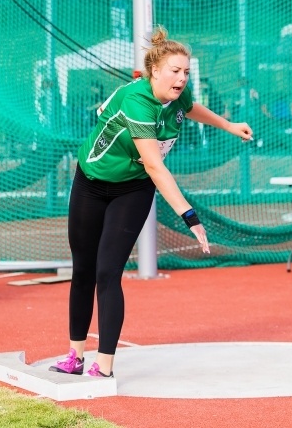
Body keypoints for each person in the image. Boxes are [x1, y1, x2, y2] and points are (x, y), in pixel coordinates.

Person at [49, 26, 253, 377]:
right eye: (175, 71)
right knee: (83, 270)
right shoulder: (138, 100)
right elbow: (156, 165)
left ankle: (104, 366)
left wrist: (229, 125)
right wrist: (190, 216)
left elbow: (192, 108)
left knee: (108, 272)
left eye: (186, 72)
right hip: (91, 183)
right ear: (154, 71)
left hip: (133, 188)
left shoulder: (177, 96)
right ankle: (75, 355)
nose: (182, 78)